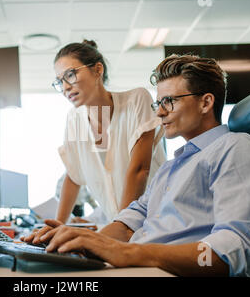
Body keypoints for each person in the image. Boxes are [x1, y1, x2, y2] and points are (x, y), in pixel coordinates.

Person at [24, 54, 250, 277]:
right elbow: (127, 225)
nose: (159, 113)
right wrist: (83, 238)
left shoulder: (236, 149)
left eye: (169, 101)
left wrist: (130, 252)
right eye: (159, 103)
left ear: (206, 102)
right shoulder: (171, 168)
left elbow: (234, 251)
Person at [51, 40, 166, 225]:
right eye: (59, 81)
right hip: (121, 227)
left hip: (158, 222)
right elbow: (74, 176)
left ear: (98, 70)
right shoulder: (76, 119)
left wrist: (121, 227)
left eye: (70, 75)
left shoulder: (136, 100)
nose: (65, 87)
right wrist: (57, 225)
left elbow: (139, 171)